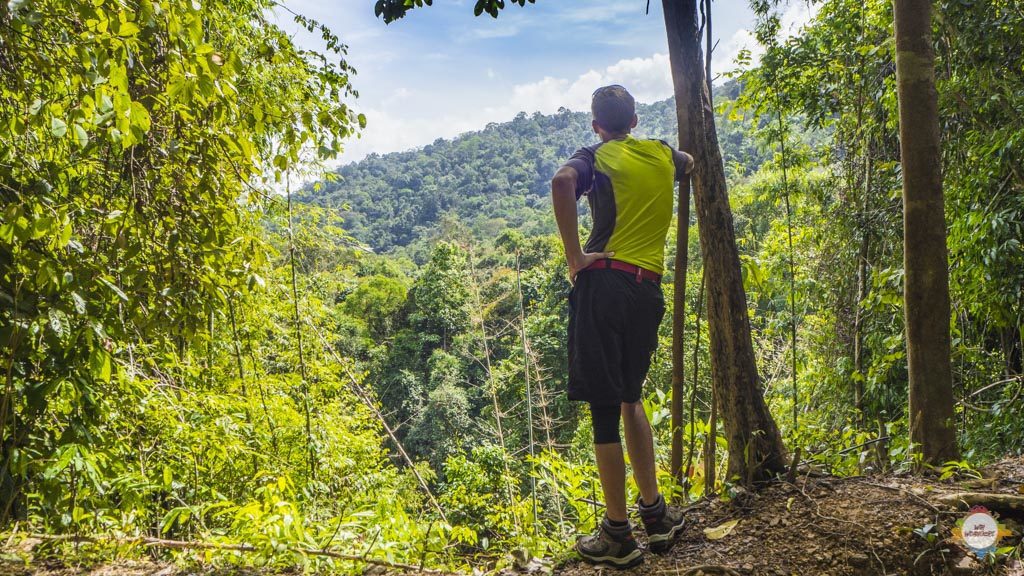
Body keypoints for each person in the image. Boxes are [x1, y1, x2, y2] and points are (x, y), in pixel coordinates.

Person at [550, 84, 694, 568]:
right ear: (635, 121)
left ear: (597, 125)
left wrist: (575, 256)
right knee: (632, 398)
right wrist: (673, 157)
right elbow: (687, 161)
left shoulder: (595, 155)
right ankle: (655, 517)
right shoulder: (659, 154)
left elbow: (562, 183)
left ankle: (618, 535)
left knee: (605, 409)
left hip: (605, 284)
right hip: (646, 290)